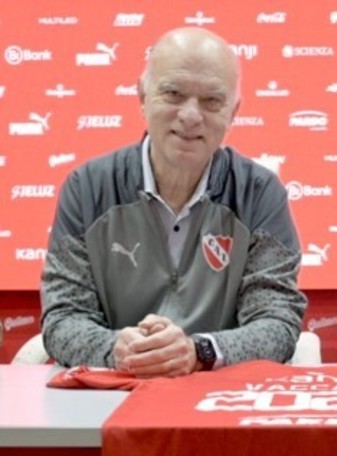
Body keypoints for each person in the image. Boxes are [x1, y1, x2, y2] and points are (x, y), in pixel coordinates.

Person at [41, 27, 307, 378]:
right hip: (112, 395)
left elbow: (277, 322)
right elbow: (63, 319)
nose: (191, 115)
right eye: (174, 93)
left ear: (234, 111)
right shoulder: (87, 188)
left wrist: (199, 351)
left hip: (216, 398)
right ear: (142, 96)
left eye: (212, 100)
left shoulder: (259, 193)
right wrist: (118, 349)